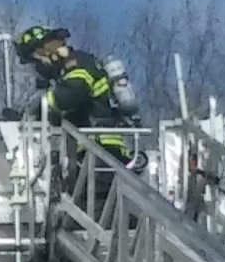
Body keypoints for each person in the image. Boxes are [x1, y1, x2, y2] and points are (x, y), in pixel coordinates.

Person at [12, 24, 138, 165]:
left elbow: (71, 95)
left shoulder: (77, 63)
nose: (38, 67)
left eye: (36, 60)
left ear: (44, 51)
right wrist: (26, 118)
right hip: (86, 150)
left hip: (100, 148)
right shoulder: (65, 73)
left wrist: (39, 108)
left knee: (92, 186)